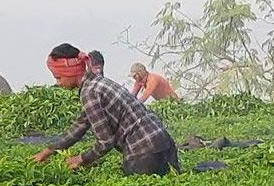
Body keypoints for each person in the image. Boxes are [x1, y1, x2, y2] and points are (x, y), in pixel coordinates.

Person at [34, 43, 181, 175]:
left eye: (58, 77)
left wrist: (82, 159)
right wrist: (51, 150)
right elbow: (82, 124)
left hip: (144, 152)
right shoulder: (98, 83)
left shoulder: (89, 92)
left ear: (70, 72)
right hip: (165, 144)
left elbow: (105, 141)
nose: (58, 83)